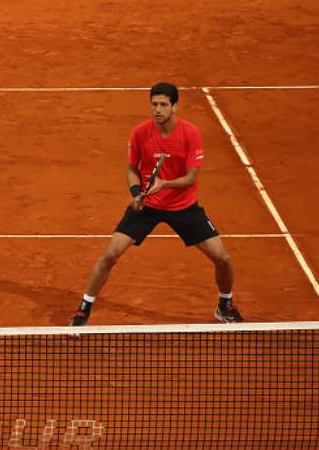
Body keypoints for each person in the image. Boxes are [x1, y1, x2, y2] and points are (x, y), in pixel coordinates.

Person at [70, 82, 243, 326]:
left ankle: (224, 305)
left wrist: (164, 184)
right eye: (154, 104)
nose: (158, 110)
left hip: (183, 205)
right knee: (110, 254)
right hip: (147, 205)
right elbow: (131, 169)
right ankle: (83, 309)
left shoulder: (190, 133)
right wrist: (136, 192)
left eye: (163, 105)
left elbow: (191, 178)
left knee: (222, 258)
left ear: (175, 106)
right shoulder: (140, 132)